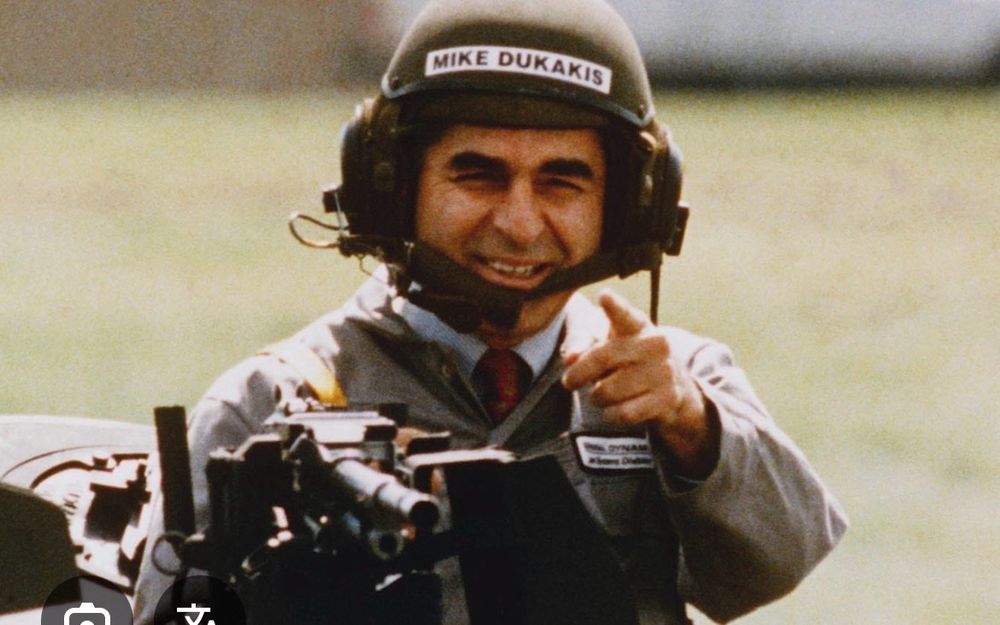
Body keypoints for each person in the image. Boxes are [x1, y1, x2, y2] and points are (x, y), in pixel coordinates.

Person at [134, 0, 847, 623]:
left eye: (562, 182)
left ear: (631, 207)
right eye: (477, 175)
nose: (518, 224)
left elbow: (780, 560)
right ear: (393, 187)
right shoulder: (271, 403)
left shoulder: (670, 387)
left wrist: (694, 430)